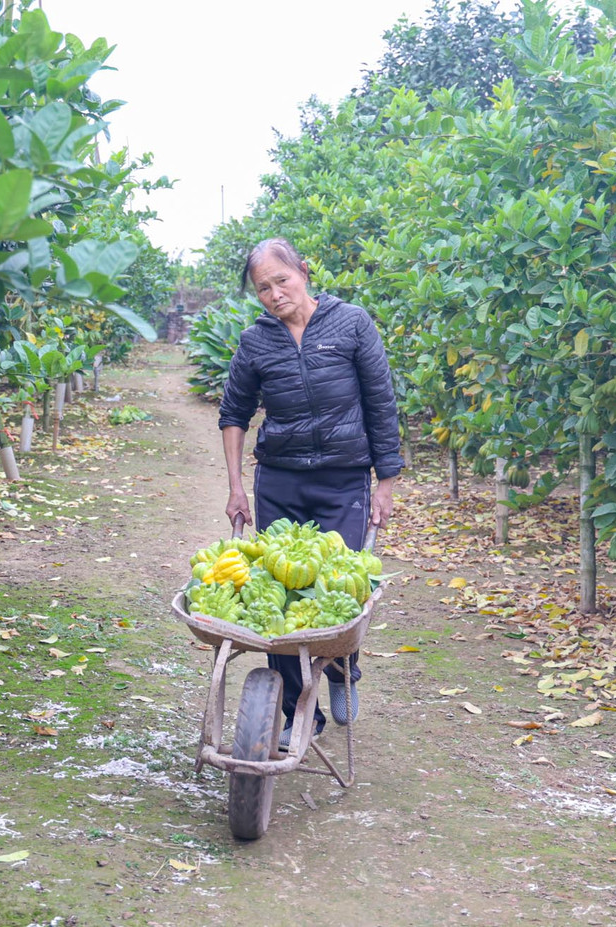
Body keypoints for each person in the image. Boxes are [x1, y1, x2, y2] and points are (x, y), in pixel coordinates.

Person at [218, 237, 402, 747]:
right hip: (280, 480)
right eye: (263, 288)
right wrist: (236, 487)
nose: (275, 294)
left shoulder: (351, 323)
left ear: (304, 272)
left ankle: (343, 670)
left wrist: (384, 483)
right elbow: (233, 414)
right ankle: (302, 711)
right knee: (279, 598)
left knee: (341, 586)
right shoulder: (256, 342)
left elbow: (381, 405)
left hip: (344, 479)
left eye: (282, 280)